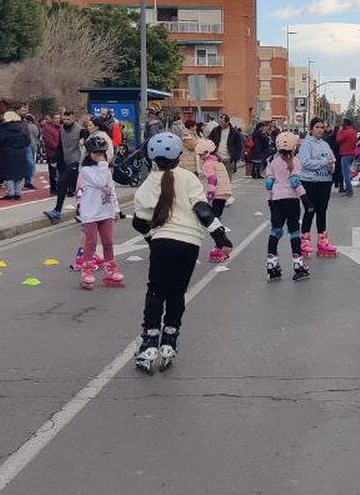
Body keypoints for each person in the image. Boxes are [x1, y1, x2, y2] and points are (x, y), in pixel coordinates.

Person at [131, 131, 235, 374]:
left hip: (163, 243)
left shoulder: (147, 185)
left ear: (152, 159)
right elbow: (202, 210)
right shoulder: (189, 178)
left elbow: (140, 222)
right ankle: (169, 341)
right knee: (177, 293)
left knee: (156, 292)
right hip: (189, 244)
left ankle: (149, 344)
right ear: (179, 155)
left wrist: (151, 240)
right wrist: (221, 237)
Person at [72, 136, 123, 289]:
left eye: (101, 152)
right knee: (91, 242)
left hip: (105, 210)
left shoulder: (105, 168)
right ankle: (87, 271)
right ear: (89, 153)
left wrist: (116, 209)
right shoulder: (86, 170)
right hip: (90, 212)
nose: (99, 155)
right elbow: (100, 182)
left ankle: (111, 269)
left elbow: (111, 189)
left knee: (108, 241)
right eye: (95, 152)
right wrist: (103, 165)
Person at [263, 131, 309, 281]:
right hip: (291, 200)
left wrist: (269, 200)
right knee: (294, 232)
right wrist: (305, 200)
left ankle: (272, 264)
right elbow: (295, 183)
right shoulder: (295, 161)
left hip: (277, 200)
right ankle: (298, 265)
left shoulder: (273, 162)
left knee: (275, 231)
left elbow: (269, 183)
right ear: (294, 146)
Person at [297, 118, 339, 258]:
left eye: (322, 127)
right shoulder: (306, 144)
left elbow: (332, 161)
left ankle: (322, 240)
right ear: (311, 129)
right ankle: (304, 240)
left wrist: (330, 168)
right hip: (310, 182)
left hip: (324, 181)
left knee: (322, 211)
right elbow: (305, 162)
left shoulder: (326, 145)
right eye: (317, 127)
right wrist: (323, 162)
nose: (320, 130)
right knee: (310, 210)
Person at [44, 111, 87, 221]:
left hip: (76, 161)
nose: (66, 121)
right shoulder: (61, 129)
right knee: (76, 188)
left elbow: (84, 134)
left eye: (68, 119)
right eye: (64, 119)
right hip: (65, 161)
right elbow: (60, 145)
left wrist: (82, 140)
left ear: (73, 119)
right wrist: (54, 158)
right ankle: (59, 211)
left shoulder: (80, 129)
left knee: (62, 182)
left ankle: (59, 211)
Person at [196, 138, 233, 263]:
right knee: (216, 219)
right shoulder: (217, 160)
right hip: (223, 193)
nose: (200, 157)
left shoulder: (208, 163)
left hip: (216, 194)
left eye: (201, 154)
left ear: (206, 153)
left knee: (212, 222)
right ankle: (221, 245)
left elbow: (212, 179)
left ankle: (222, 245)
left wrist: (209, 194)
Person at [0, 111, 32, 201]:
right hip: (20, 152)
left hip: (6, 152)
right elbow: (27, 140)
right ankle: (18, 192)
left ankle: (10, 192)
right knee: (20, 173)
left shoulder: (3, 129)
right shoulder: (22, 127)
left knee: (8, 174)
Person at [336, 118, 359, 196]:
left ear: (344, 124)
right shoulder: (353, 131)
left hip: (345, 154)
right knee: (347, 172)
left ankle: (349, 190)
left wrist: (340, 131)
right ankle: (348, 189)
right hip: (352, 153)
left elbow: (338, 140)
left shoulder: (344, 132)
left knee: (346, 173)